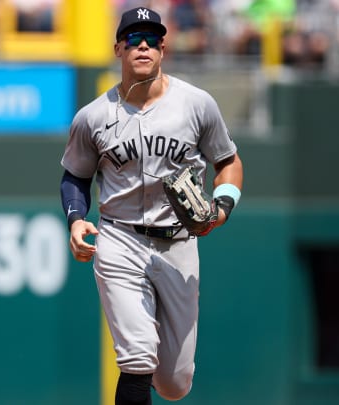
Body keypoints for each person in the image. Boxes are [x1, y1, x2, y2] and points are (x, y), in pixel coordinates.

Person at [59, 7, 243, 405]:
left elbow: (227, 161)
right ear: (118, 49)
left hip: (179, 243)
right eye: (133, 38)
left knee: (175, 383)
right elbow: (75, 176)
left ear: (163, 48)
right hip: (120, 239)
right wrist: (76, 220)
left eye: (152, 39)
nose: (143, 45)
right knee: (138, 357)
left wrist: (222, 207)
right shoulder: (92, 116)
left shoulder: (196, 104)